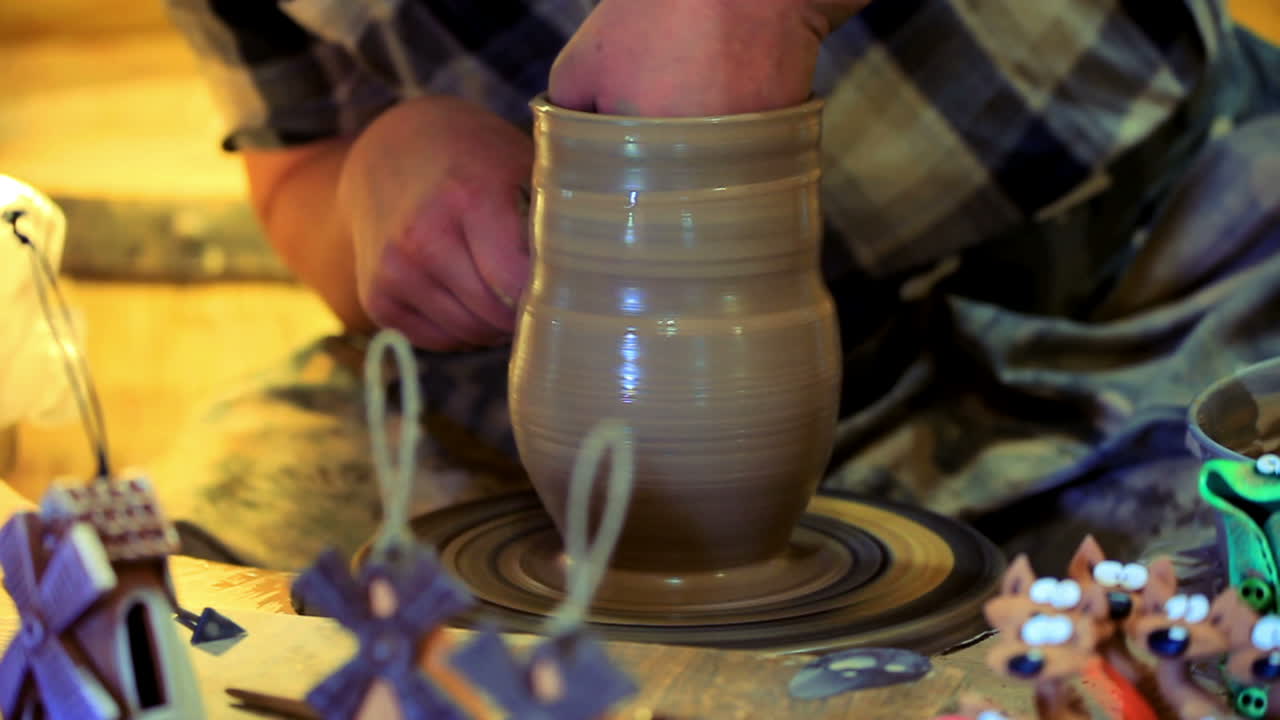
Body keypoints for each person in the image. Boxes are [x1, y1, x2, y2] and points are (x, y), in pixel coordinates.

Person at [161, 0, 1280, 572]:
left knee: (1213, 627)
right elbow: (292, 155)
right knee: (180, 611)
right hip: (577, 378)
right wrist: (372, 172)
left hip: (1154, 242)